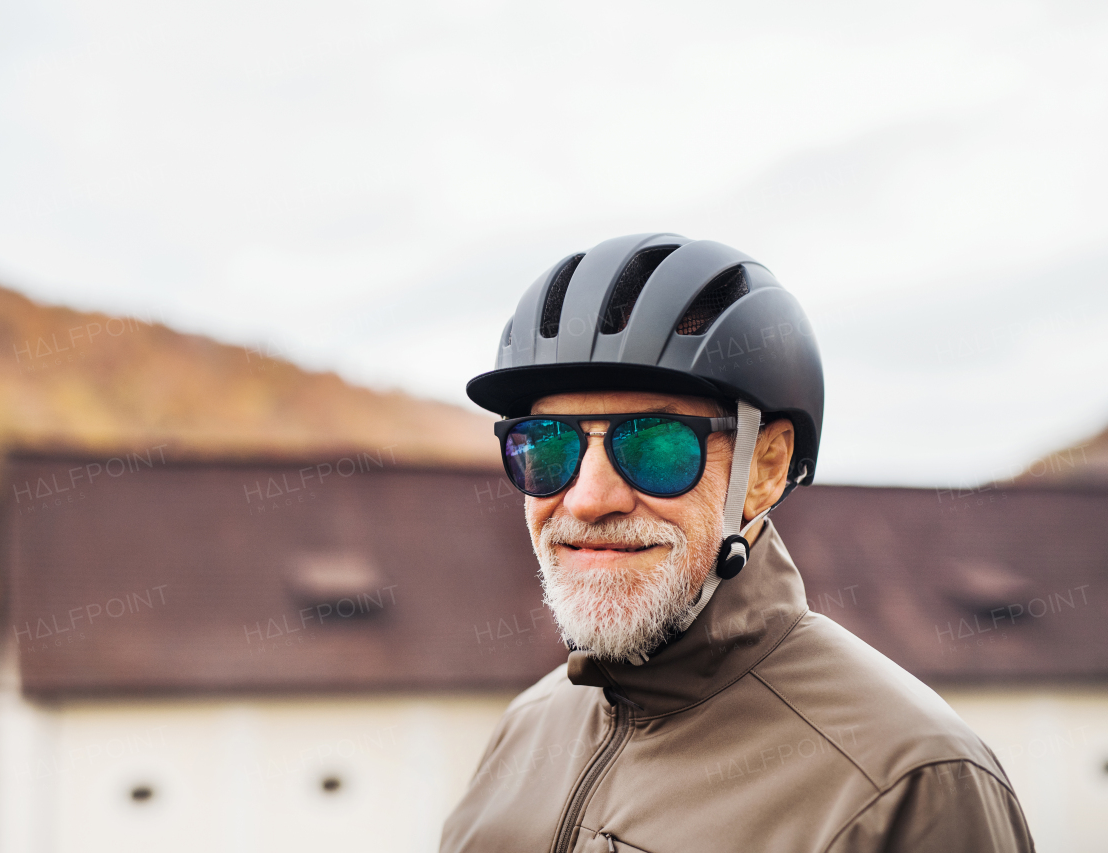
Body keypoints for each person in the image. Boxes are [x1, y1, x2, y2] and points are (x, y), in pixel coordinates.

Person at [440, 234, 1033, 853]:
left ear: (767, 468)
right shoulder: (527, 727)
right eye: (549, 445)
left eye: (655, 445)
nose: (588, 499)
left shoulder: (909, 783)